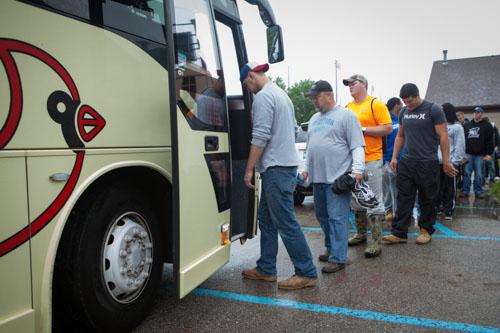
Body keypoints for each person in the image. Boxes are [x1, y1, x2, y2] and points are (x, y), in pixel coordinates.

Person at [240, 61, 318, 290]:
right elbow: (293, 130)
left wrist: (248, 169)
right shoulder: (282, 94)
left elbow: (260, 135)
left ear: (252, 76)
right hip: (282, 166)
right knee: (266, 219)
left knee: (285, 221)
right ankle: (266, 268)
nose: (248, 90)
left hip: (277, 168)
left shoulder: (263, 97)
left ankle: (306, 272)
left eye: (246, 84)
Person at [302, 80, 365, 273]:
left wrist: (357, 170)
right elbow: (310, 148)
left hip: (337, 178)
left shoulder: (346, 116)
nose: (314, 101)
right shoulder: (313, 118)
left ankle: (338, 258)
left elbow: (357, 146)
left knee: (337, 218)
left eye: (316, 96)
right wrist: (306, 168)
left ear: (328, 95)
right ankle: (331, 248)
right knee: (322, 216)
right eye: (312, 97)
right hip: (318, 178)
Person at [383, 83, 456, 245]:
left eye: (410, 101)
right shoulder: (403, 111)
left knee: (427, 199)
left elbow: (443, 136)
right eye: (404, 102)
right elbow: (400, 136)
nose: (407, 105)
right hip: (407, 161)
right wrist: (395, 157)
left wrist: (446, 161)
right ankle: (399, 233)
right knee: (403, 198)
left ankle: (425, 231)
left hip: (428, 162)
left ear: (417, 96)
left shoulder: (433, 109)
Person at [343, 74, 392, 258]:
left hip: (371, 159)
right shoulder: (348, 107)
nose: (349, 87)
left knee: (373, 200)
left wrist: (363, 130)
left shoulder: (375, 104)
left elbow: (387, 128)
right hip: (353, 161)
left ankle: (376, 242)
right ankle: (361, 234)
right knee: (356, 200)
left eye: (352, 83)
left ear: (363, 85)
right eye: (348, 84)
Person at [437, 103, 465, 220]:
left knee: (450, 187)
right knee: (438, 187)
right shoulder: (438, 126)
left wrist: (454, 162)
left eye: (442, 111)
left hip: (450, 162)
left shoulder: (457, 127)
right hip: (437, 162)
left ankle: (449, 210)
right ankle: (438, 207)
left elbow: (460, 145)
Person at [460, 107, 494, 198]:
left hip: (480, 155)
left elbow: (490, 140)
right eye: (475, 112)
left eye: (478, 112)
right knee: (466, 173)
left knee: (479, 174)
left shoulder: (487, 125)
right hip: (468, 154)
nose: (476, 113)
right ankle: (465, 191)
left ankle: (478, 191)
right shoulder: (467, 125)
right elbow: (462, 140)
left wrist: (488, 153)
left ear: (482, 114)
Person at [382, 97, 403, 223]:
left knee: (399, 189)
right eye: (401, 104)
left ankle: (398, 212)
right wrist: (386, 160)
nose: (402, 106)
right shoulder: (386, 121)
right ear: (396, 105)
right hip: (389, 161)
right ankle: (392, 212)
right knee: (391, 188)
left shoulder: (401, 120)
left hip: (403, 160)